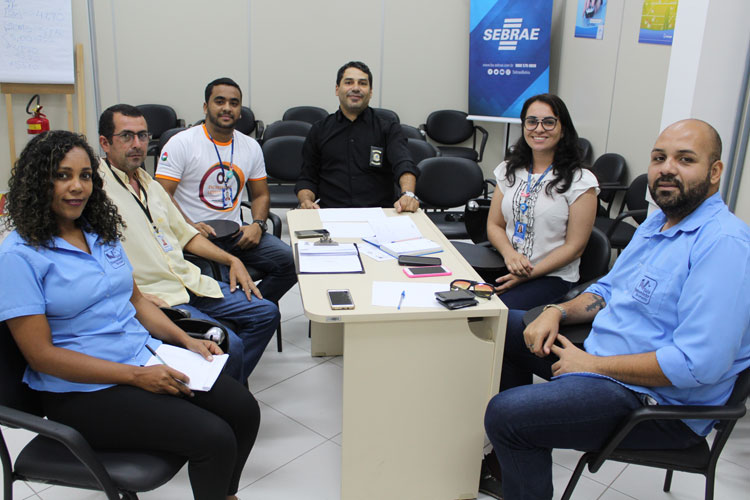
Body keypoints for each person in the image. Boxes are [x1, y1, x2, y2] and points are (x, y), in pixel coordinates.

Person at [482, 119, 750, 500]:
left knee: (507, 415)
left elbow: (696, 364)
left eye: (685, 159)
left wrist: (592, 366)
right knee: (503, 328)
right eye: (659, 158)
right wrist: (556, 311)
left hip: (654, 401)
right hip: (602, 360)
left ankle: (519, 440)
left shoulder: (725, 246)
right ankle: (518, 458)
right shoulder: (658, 222)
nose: (667, 168)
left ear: (715, 172)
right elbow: (607, 289)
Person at [0, 130, 260, 500]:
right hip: (82, 392)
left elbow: (136, 302)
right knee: (214, 439)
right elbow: (41, 356)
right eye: (62, 175)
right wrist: (138, 377)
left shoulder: (97, 231)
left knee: (244, 411)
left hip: (140, 357)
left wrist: (187, 340)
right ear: (38, 180)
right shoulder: (18, 256)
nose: (77, 186)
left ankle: (224, 495)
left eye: (85, 175)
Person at [98, 104, 279, 384]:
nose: (137, 144)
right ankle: (228, 391)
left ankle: (225, 384)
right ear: (105, 143)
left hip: (188, 280)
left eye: (143, 136)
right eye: (127, 136)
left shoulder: (150, 184)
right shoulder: (96, 193)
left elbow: (188, 236)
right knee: (233, 344)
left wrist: (232, 260)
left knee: (266, 312)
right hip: (155, 296)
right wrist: (132, 296)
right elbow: (90, 258)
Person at [156, 77, 296, 304]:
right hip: (195, 239)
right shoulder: (181, 143)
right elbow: (161, 195)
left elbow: (260, 194)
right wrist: (188, 225)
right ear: (205, 107)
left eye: (234, 103)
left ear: (240, 111)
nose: (227, 108)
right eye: (219, 101)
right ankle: (250, 314)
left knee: (292, 263)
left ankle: (256, 310)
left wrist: (258, 225)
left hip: (235, 234)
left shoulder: (250, 146)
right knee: (219, 293)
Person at [486, 93, 598, 310]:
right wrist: (510, 254)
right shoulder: (508, 170)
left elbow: (575, 247)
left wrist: (529, 274)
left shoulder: (581, 181)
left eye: (549, 122)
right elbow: (494, 225)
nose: (539, 129)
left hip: (552, 277)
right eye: (532, 122)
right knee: (462, 297)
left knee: (495, 313)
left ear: (563, 128)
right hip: (507, 264)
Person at [295, 61, 420, 211]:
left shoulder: (388, 128)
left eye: (362, 83)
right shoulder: (319, 130)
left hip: (380, 214)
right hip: (330, 213)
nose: (355, 88)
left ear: (371, 91)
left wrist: (408, 194)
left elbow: (404, 164)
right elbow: (307, 178)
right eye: (348, 82)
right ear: (337, 89)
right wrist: (306, 200)